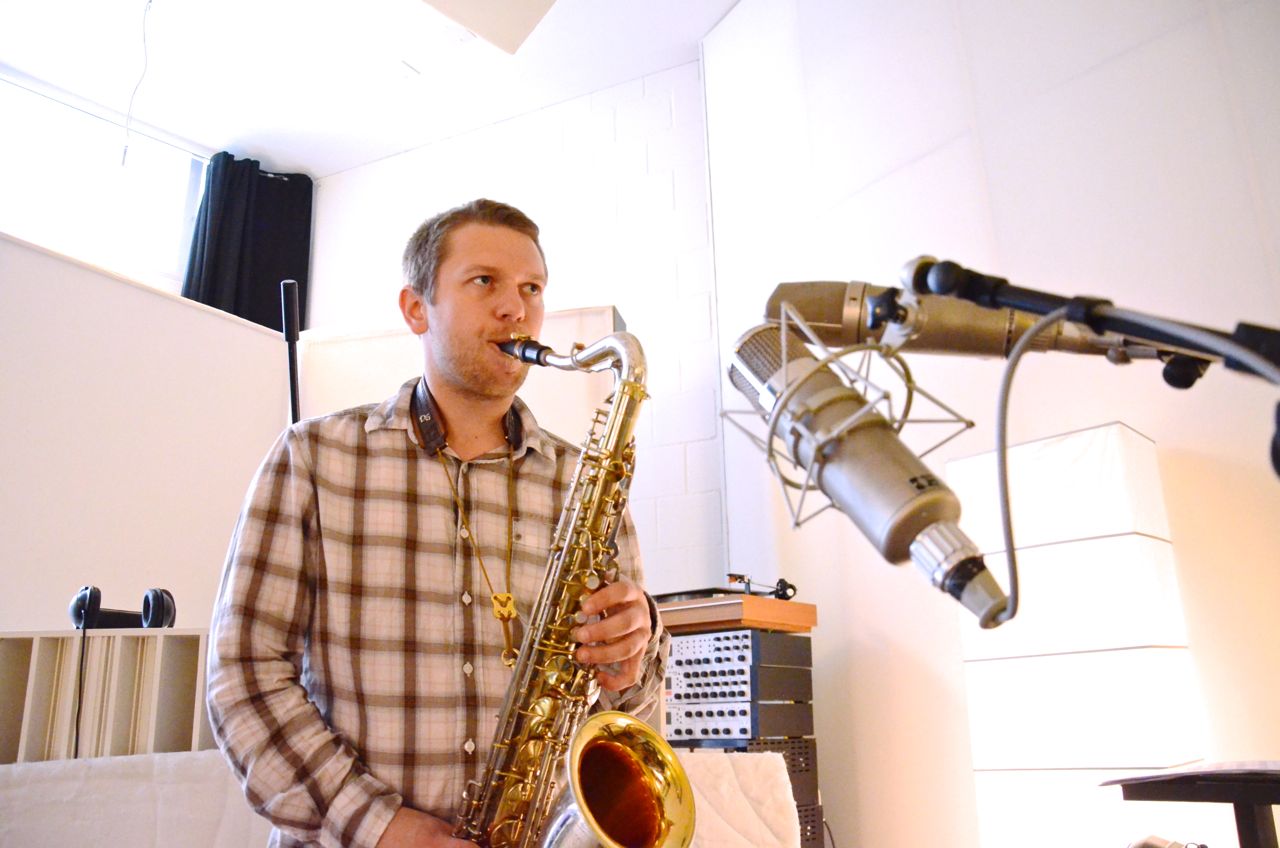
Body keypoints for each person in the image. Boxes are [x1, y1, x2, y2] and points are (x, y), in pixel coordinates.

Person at [206, 199, 669, 848]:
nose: (515, 308)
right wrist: (381, 827)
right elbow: (243, 673)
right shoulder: (313, 458)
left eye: (532, 289)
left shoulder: (584, 479)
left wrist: (634, 655)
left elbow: (628, 712)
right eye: (485, 281)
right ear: (416, 308)